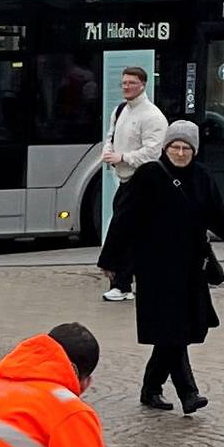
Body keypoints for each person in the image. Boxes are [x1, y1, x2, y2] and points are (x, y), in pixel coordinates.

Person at [109, 122, 224, 413]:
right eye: (174, 146)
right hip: (155, 269)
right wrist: (111, 260)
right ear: (165, 148)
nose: (179, 152)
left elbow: (217, 216)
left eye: (186, 148)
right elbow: (125, 217)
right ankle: (189, 394)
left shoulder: (201, 177)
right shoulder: (150, 175)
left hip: (190, 269)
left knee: (177, 332)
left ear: (194, 150)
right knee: (173, 331)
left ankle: (151, 388)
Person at [95, 66, 168, 302]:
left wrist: (122, 158)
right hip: (124, 180)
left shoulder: (153, 116)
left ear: (143, 85)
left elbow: (153, 152)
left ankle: (120, 280)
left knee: (122, 231)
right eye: (124, 83)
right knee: (126, 232)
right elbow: (110, 137)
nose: (126, 87)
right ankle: (122, 281)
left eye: (132, 83)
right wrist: (108, 152)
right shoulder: (119, 110)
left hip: (143, 182)